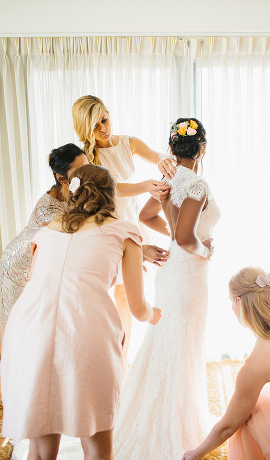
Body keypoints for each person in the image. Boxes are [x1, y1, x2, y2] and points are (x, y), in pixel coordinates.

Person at [0, 164, 160, 460]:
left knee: (40, 448)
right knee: (97, 444)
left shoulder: (47, 231)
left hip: (28, 329)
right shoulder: (125, 231)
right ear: (111, 195)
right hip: (85, 327)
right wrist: (155, 314)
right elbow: (138, 308)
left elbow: (40, 283)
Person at [113, 118, 221, 459]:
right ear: (202, 148)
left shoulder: (168, 178)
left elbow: (147, 218)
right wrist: (206, 250)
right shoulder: (197, 185)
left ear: (172, 149)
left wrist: (176, 239)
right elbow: (187, 238)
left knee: (166, 342)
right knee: (183, 343)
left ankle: (150, 414)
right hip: (188, 274)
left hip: (172, 271)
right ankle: (175, 424)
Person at [72, 95, 172, 361]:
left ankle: (122, 359)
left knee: (127, 294)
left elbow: (153, 154)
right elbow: (112, 188)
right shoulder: (86, 158)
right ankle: (108, 354)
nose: (103, 128)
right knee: (110, 293)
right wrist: (144, 186)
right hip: (107, 222)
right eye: (95, 125)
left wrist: (162, 159)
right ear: (85, 129)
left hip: (132, 218)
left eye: (104, 119)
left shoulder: (128, 142)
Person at [182, 267, 270, 460]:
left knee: (248, 412)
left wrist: (196, 453)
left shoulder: (256, 365)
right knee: (260, 398)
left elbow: (228, 426)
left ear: (238, 302)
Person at [1, 144, 88, 347]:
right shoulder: (47, 209)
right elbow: (81, 234)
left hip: (40, 263)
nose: (87, 174)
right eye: (79, 170)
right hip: (16, 266)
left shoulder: (77, 192)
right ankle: (7, 375)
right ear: (61, 178)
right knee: (15, 327)